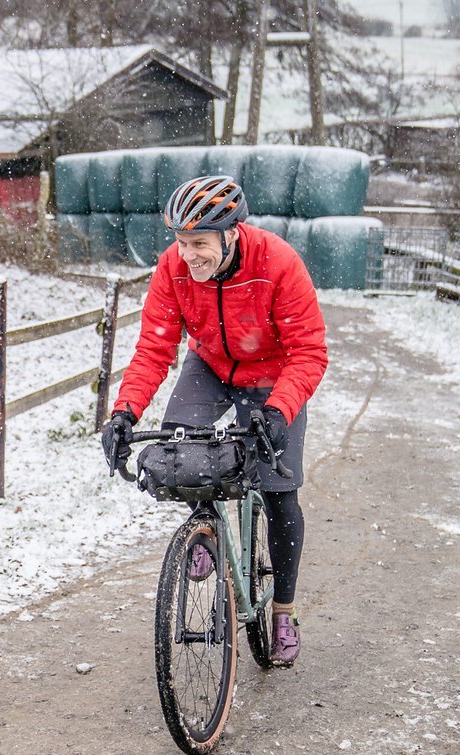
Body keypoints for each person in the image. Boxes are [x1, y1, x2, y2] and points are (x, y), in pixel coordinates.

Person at [99, 175, 328, 666]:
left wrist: (278, 411)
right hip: (210, 366)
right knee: (183, 451)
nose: (188, 255)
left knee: (278, 488)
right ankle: (206, 528)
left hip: (273, 376)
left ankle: (283, 611)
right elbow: (154, 347)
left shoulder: (279, 263)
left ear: (231, 235)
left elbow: (309, 352)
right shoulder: (172, 268)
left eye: (199, 243)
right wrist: (124, 412)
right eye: (181, 243)